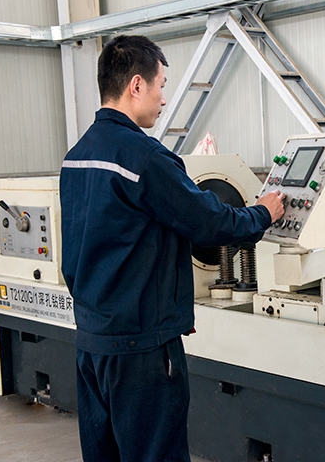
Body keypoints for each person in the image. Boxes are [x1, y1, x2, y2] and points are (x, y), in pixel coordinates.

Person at [60, 35, 285, 462]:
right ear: (137, 85)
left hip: (91, 344)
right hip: (142, 352)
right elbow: (210, 223)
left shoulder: (76, 156)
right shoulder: (144, 158)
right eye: (161, 86)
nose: (164, 99)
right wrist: (262, 214)